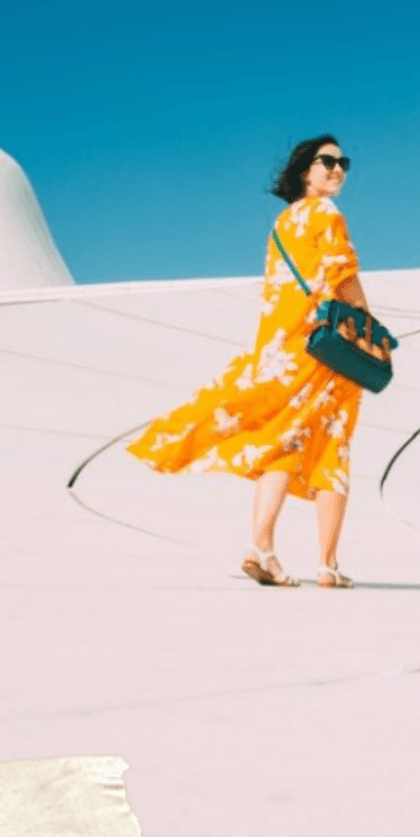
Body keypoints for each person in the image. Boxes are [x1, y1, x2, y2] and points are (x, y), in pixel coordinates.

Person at [127, 135, 369, 588]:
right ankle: (328, 565)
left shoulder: (281, 223)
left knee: (282, 443)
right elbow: (343, 275)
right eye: (328, 161)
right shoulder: (325, 213)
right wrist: (371, 329)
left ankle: (261, 546)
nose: (338, 169)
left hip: (280, 348)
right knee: (332, 445)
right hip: (322, 346)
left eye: (344, 162)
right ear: (305, 171)